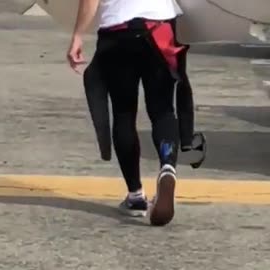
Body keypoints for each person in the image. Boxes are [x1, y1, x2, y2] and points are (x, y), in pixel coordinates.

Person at [67, 0, 193, 226]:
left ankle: (135, 196)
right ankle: (167, 166)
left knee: (124, 113)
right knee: (163, 110)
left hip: (118, 33)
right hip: (160, 27)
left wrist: (77, 35)